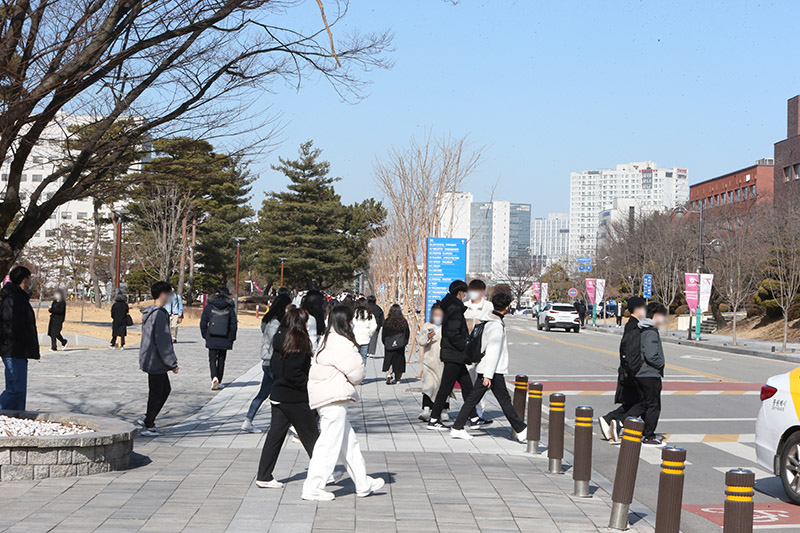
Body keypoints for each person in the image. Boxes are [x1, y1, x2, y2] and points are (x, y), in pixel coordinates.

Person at [302, 305, 384, 501]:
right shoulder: (341, 343)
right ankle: (313, 486)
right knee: (328, 444)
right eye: (350, 320)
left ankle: (363, 483)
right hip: (333, 397)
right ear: (345, 322)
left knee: (349, 444)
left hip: (327, 396)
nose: (353, 323)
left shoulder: (327, 339)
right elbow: (357, 373)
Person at [255, 308, 319, 488]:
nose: (307, 325)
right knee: (311, 435)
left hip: (278, 394)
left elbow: (277, 367)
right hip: (296, 397)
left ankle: (264, 475)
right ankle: (324, 471)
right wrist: (308, 384)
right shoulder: (298, 342)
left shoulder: (280, 337)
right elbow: (295, 373)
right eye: (305, 322)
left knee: (276, 436)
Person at [450, 292, 527, 441]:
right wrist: (488, 376)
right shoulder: (495, 326)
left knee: (475, 399)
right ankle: (520, 429)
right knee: (502, 401)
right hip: (492, 370)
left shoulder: (489, 319)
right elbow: (492, 351)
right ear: (506, 308)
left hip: (488, 369)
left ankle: (457, 427)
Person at [427, 280, 481, 431]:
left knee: (466, 386)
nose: (466, 295)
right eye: (465, 293)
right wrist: (465, 346)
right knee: (445, 387)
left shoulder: (450, 306)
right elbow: (453, 332)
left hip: (454, 354)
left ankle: (474, 417)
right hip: (454, 353)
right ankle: (434, 419)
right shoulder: (454, 308)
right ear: (460, 293)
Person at [242, 292, 293, 433]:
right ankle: (285, 423)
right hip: (272, 362)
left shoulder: (270, 321)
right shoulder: (275, 324)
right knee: (282, 393)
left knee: (264, 393)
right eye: (288, 306)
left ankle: (248, 420)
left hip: (268, 361)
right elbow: (278, 343)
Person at [598, 296, 646, 442]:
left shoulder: (633, 325)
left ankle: (609, 419)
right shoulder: (633, 326)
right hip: (632, 372)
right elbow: (631, 352)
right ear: (637, 309)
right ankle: (620, 422)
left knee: (632, 402)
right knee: (645, 401)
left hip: (628, 372)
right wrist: (635, 372)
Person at [138, 281, 179, 436]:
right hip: (156, 360)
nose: (171, 297)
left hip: (150, 358)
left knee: (161, 390)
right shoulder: (159, 314)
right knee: (158, 392)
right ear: (163, 294)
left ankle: (148, 418)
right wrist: (172, 363)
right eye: (170, 294)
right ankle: (149, 423)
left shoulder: (149, 312)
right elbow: (162, 341)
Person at [0, 266, 39, 411]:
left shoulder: (19, 297)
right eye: (29, 278)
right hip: (13, 348)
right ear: (24, 280)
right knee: (15, 389)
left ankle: (16, 415)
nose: (30, 282)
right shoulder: (13, 299)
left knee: (19, 390)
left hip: (18, 349)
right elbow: (12, 325)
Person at [636, 302, 667, 446]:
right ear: (656, 315)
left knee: (645, 404)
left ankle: (643, 431)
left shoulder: (643, 329)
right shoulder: (650, 332)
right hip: (650, 373)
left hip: (642, 373)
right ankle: (648, 435)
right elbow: (651, 355)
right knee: (653, 405)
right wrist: (660, 363)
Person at [463, 279, 493, 423]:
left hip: (483, 351)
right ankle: (471, 413)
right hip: (468, 350)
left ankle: (479, 412)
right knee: (469, 382)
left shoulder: (488, 306)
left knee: (481, 383)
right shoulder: (465, 306)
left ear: (482, 292)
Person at [200, 287, 238, 391]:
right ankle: (219, 380)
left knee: (212, 359)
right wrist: (232, 338)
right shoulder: (230, 308)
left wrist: (205, 335)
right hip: (225, 337)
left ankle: (214, 377)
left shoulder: (209, 307)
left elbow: (203, 322)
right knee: (221, 359)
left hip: (212, 336)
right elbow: (233, 324)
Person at [416, 302, 448, 422]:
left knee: (443, 387)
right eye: (435, 314)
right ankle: (426, 409)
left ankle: (444, 410)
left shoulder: (447, 326)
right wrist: (428, 337)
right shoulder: (427, 326)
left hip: (443, 361)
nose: (437, 316)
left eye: (440, 314)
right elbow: (421, 341)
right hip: (429, 361)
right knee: (429, 386)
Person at [381, 304, 409, 384]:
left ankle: (389, 374)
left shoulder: (387, 321)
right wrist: (405, 342)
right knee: (399, 361)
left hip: (389, 344)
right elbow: (407, 332)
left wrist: (384, 342)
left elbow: (384, 333)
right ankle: (398, 379)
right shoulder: (403, 321)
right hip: (400, 345)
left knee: (389, 360)